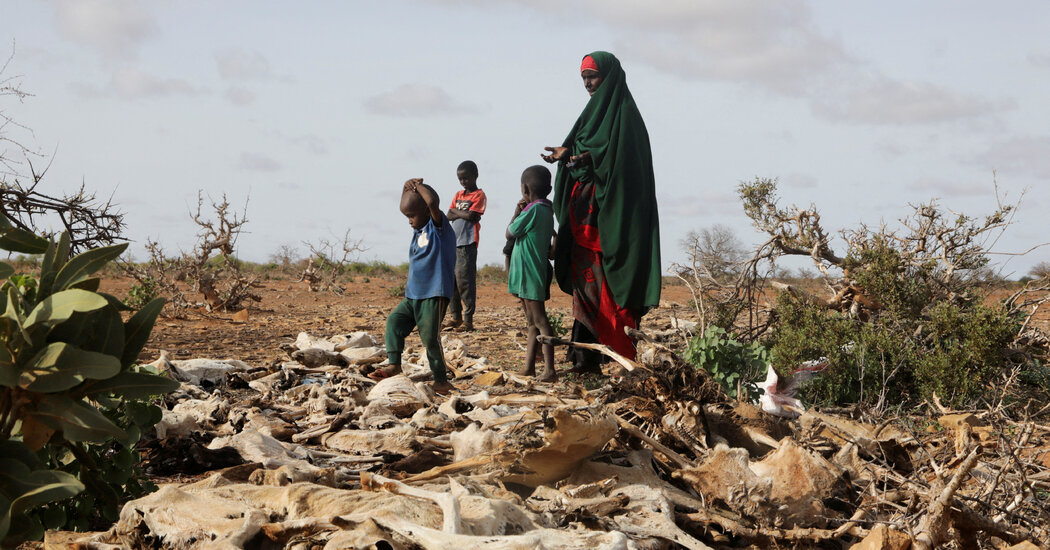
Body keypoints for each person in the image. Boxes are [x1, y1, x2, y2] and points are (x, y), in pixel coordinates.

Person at [541, 51, 661, 373]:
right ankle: (585, 359)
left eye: (592, 77)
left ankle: (622, 358)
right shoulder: (589, 118)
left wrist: (590, 162)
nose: (588, 84)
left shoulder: (628, 122)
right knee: (585, 287)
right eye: (583, 79)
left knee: (612, 286)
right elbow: (583, 158)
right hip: (584, 222)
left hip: (613, 224)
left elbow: (625, 173)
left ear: (609, 77)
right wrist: (570, 156)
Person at [370, 178, 457, 395]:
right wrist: (407, 187)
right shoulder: (418, 230)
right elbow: (411, 204)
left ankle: (441, 380)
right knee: (394, 322)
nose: (409, 221)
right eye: (407, 217)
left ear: (426, 212)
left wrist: (419, 188)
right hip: (413, 295)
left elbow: (433, 203)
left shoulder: (439, 228)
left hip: (434, 294)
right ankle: (394, 363)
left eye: (412, 216)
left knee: (430, 338)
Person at [506, 165, 556, 382]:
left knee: (540, 320)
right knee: (532, 321)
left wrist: (517, 211)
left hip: (529, 272)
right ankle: (529, 367)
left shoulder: (533, 210)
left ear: (524, 189)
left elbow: (510, 232)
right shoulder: (546, 210)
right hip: (534, 270)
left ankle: (550, 370)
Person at [445, 160, 487, 332]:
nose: (463, 182)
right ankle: (456, 317)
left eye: (466, 179)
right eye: (460, 179)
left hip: (467, 243)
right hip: (452, 243)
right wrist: (458, 213)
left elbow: (473, 217)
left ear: (475, 176)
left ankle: (468, 320)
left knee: (465, 281)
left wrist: (457, 212)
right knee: (452, 282)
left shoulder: (479, 195)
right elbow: (448, 215)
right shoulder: (458, 194)